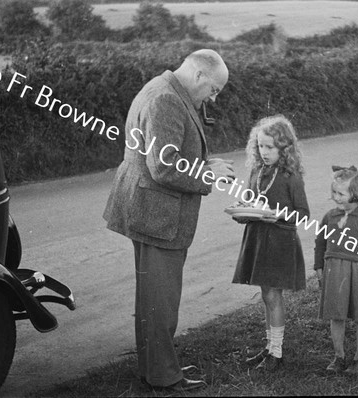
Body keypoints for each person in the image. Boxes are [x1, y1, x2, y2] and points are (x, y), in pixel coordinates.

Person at [102, 49, 235, 392]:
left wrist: (205, 162)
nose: (214, 98)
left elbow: (168, 153)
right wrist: (208, 174)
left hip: (148, 208)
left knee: (151, 299)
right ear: (199, 75)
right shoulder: (167, 100)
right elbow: (164, 166)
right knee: (161, 302)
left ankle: (155, 368)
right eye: (214, 89)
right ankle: (163, 377)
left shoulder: (164, 88)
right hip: (157, 214)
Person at [231, 115, 310, 372]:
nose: (264, 152)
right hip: (258, 239)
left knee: (273, 295)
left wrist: (278, 215)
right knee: (266, 295)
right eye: (260, 146)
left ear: (284, 148)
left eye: (270, 147)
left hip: (279, 242)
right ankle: (269, 348)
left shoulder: (290, 176)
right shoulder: (256, 171)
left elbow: (303, 214)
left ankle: (277, 352)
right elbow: (249, 202)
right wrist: (241, 211)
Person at [313, 165, 358, 374]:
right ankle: (339, 356)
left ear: (356, 194)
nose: (336, 197)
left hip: (357, 275)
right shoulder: (329, 217)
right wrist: (319, 267)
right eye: (334, 192)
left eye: (341, 193)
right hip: (334, 272)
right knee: (337, 315)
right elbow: (320, 243)